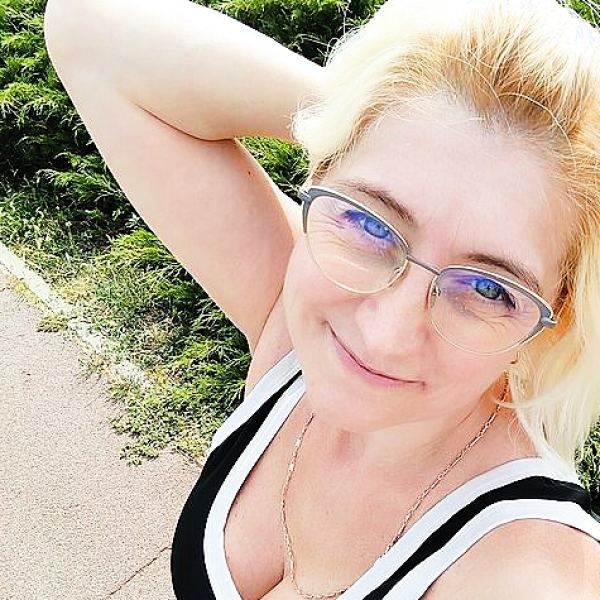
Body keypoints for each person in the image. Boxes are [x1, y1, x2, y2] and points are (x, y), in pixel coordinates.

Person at [43, 0, 600, 597]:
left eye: (489, 289)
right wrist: (371, 108)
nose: (386, 335)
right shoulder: (291, 329)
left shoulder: (528, 572)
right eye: (369, 223)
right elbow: (88, 26)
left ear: (558, 316)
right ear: (317, 177)